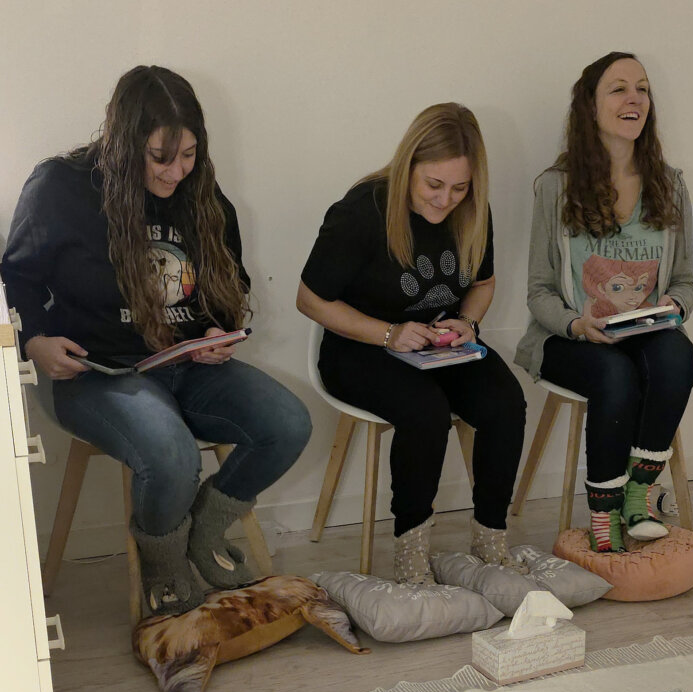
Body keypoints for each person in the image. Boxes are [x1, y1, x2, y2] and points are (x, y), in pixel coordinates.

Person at [1, 65, 312, 616]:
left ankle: (201, 531)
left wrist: (218, 328)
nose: (175, 173)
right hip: (94, 372)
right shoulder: (62, 186)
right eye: (160, 157)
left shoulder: (199, 191)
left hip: (187, 365)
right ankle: (164, 562)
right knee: (170, 457)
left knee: (288, 424)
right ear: (124, 145)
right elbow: (17, 277)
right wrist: (34, 343)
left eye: (189, 154)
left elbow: (229, 278)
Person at [297, 102, 527, 586]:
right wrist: (389, 334)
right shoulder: (363, 211)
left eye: (459, 188)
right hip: (360, 346)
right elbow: (311, 300)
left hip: (435, 345)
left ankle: (490, 536)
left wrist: (466, 321)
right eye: (433, 186)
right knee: (425, 412)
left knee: (506, 401)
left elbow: (483, 283)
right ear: (408, 168)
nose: (446, 201)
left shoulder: (472, 210)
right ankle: (412, 554)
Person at [516, 52, 693, 554]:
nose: (634, 99)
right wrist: (577, 324)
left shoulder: (670, 184)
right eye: (619, 88)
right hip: (572, 337)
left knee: (677, 357)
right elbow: (538, 291)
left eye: (642, 88)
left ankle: (638, 497)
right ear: (590, 107)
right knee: (614, 375)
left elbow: (686, 281)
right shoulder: (555, 188)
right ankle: (603, 513)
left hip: (645, 333)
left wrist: (673, 307)